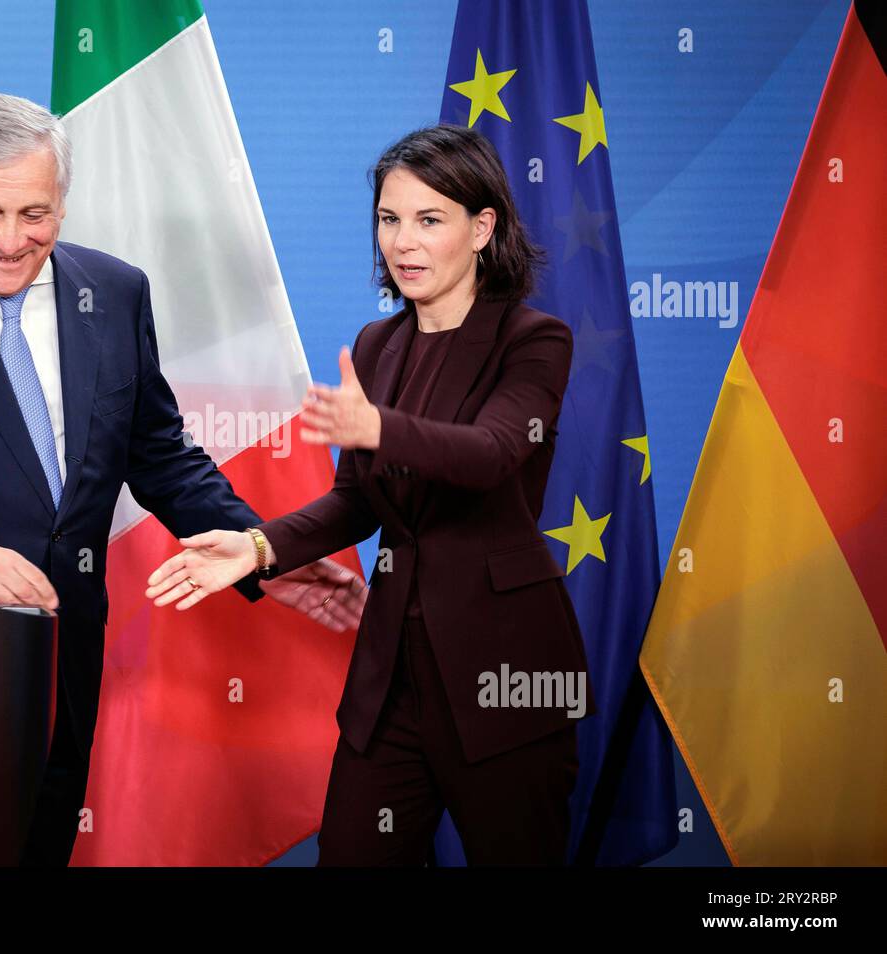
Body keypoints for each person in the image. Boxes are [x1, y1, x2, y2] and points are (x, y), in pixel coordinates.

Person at [0, 91, 367, 866]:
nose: (9, 239)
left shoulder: (116, 292)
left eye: (35, 214)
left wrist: (262, 548)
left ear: (64, 201)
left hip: (66, 656)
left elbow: (157, 451)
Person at [146, 125, 596, 866]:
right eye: (390, 220)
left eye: (429, 219)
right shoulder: (377, 347)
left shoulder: (534, 339)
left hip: (508, 683)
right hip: (392, 685)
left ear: (482, 228)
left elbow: (492, 456)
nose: (404, 242)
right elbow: (357, 502)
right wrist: (258, 546)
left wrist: (378, 426)